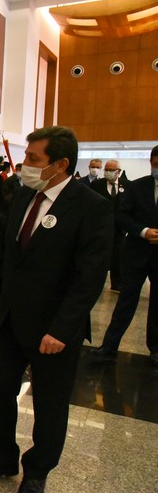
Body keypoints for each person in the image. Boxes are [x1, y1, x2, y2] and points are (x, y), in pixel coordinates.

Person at [0, 126, 112, 493]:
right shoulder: (24, 197)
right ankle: (0, 458)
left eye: (34, 159)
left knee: (49, 405)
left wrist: (63, 329)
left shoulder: (90, 206)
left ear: (60, 164)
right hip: (10, 319)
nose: (25, 165)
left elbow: (89, 277)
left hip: (53, 330)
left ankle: (37, 471)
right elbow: (7, 253)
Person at [90, 146, 158, 365]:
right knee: (126, 300)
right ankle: (110, 345)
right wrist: (143, 231)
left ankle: (155, 349)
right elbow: (122, 215)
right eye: (156, 164)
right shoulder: (138, 187)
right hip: (136, 251)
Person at [89, 160, 130, 291]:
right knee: (99, 257)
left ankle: (117, 283)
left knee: (118, 257)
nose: (108, 172)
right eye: (106, 169)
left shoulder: (128, 186)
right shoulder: (96, 185)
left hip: (119, 229)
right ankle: (95, 283)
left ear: (118, 171)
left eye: (111, 170)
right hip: (101, 227)